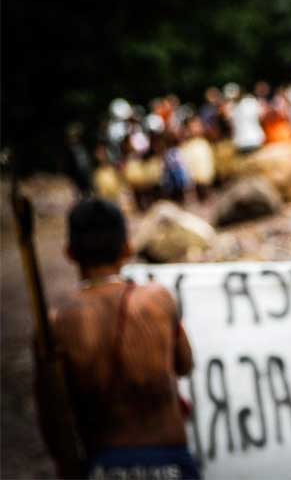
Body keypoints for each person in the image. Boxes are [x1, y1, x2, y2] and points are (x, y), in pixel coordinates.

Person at [35, 198, 199, 479]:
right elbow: (185, 363)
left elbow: (54, 417)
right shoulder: (159, 300)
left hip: (104, 464)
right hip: (171, 461)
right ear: (128, 248)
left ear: (70, 253)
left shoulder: (55, 324)